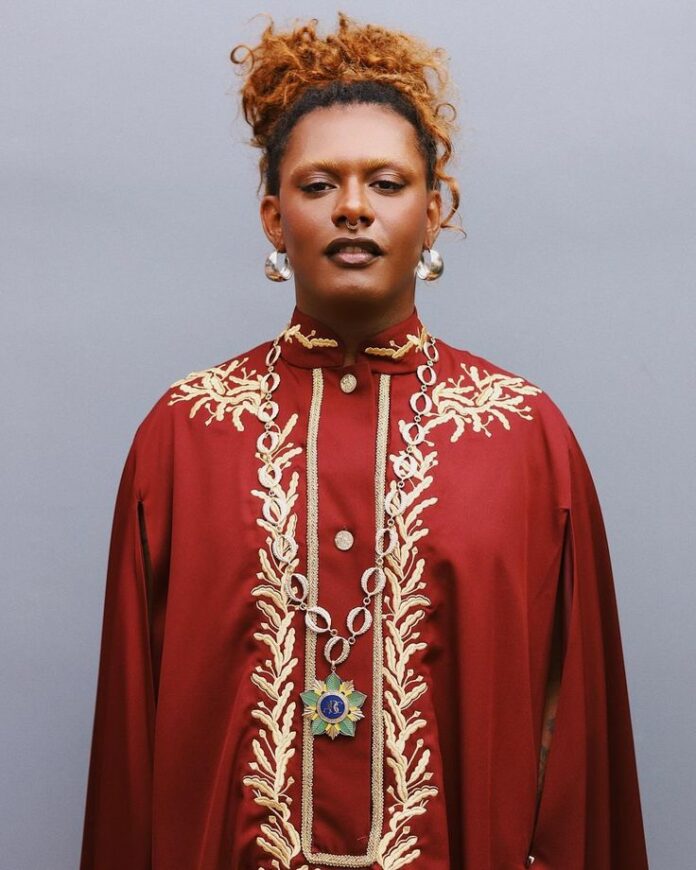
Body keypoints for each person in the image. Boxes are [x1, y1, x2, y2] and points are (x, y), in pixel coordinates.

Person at [79, 13, 649, 870]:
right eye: (318, 185)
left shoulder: (523, 437)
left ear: (434, 211)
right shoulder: (186, 434)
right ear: (274, 219)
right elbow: (130, 756)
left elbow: (577, 745)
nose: (352, 208)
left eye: (385, 182)